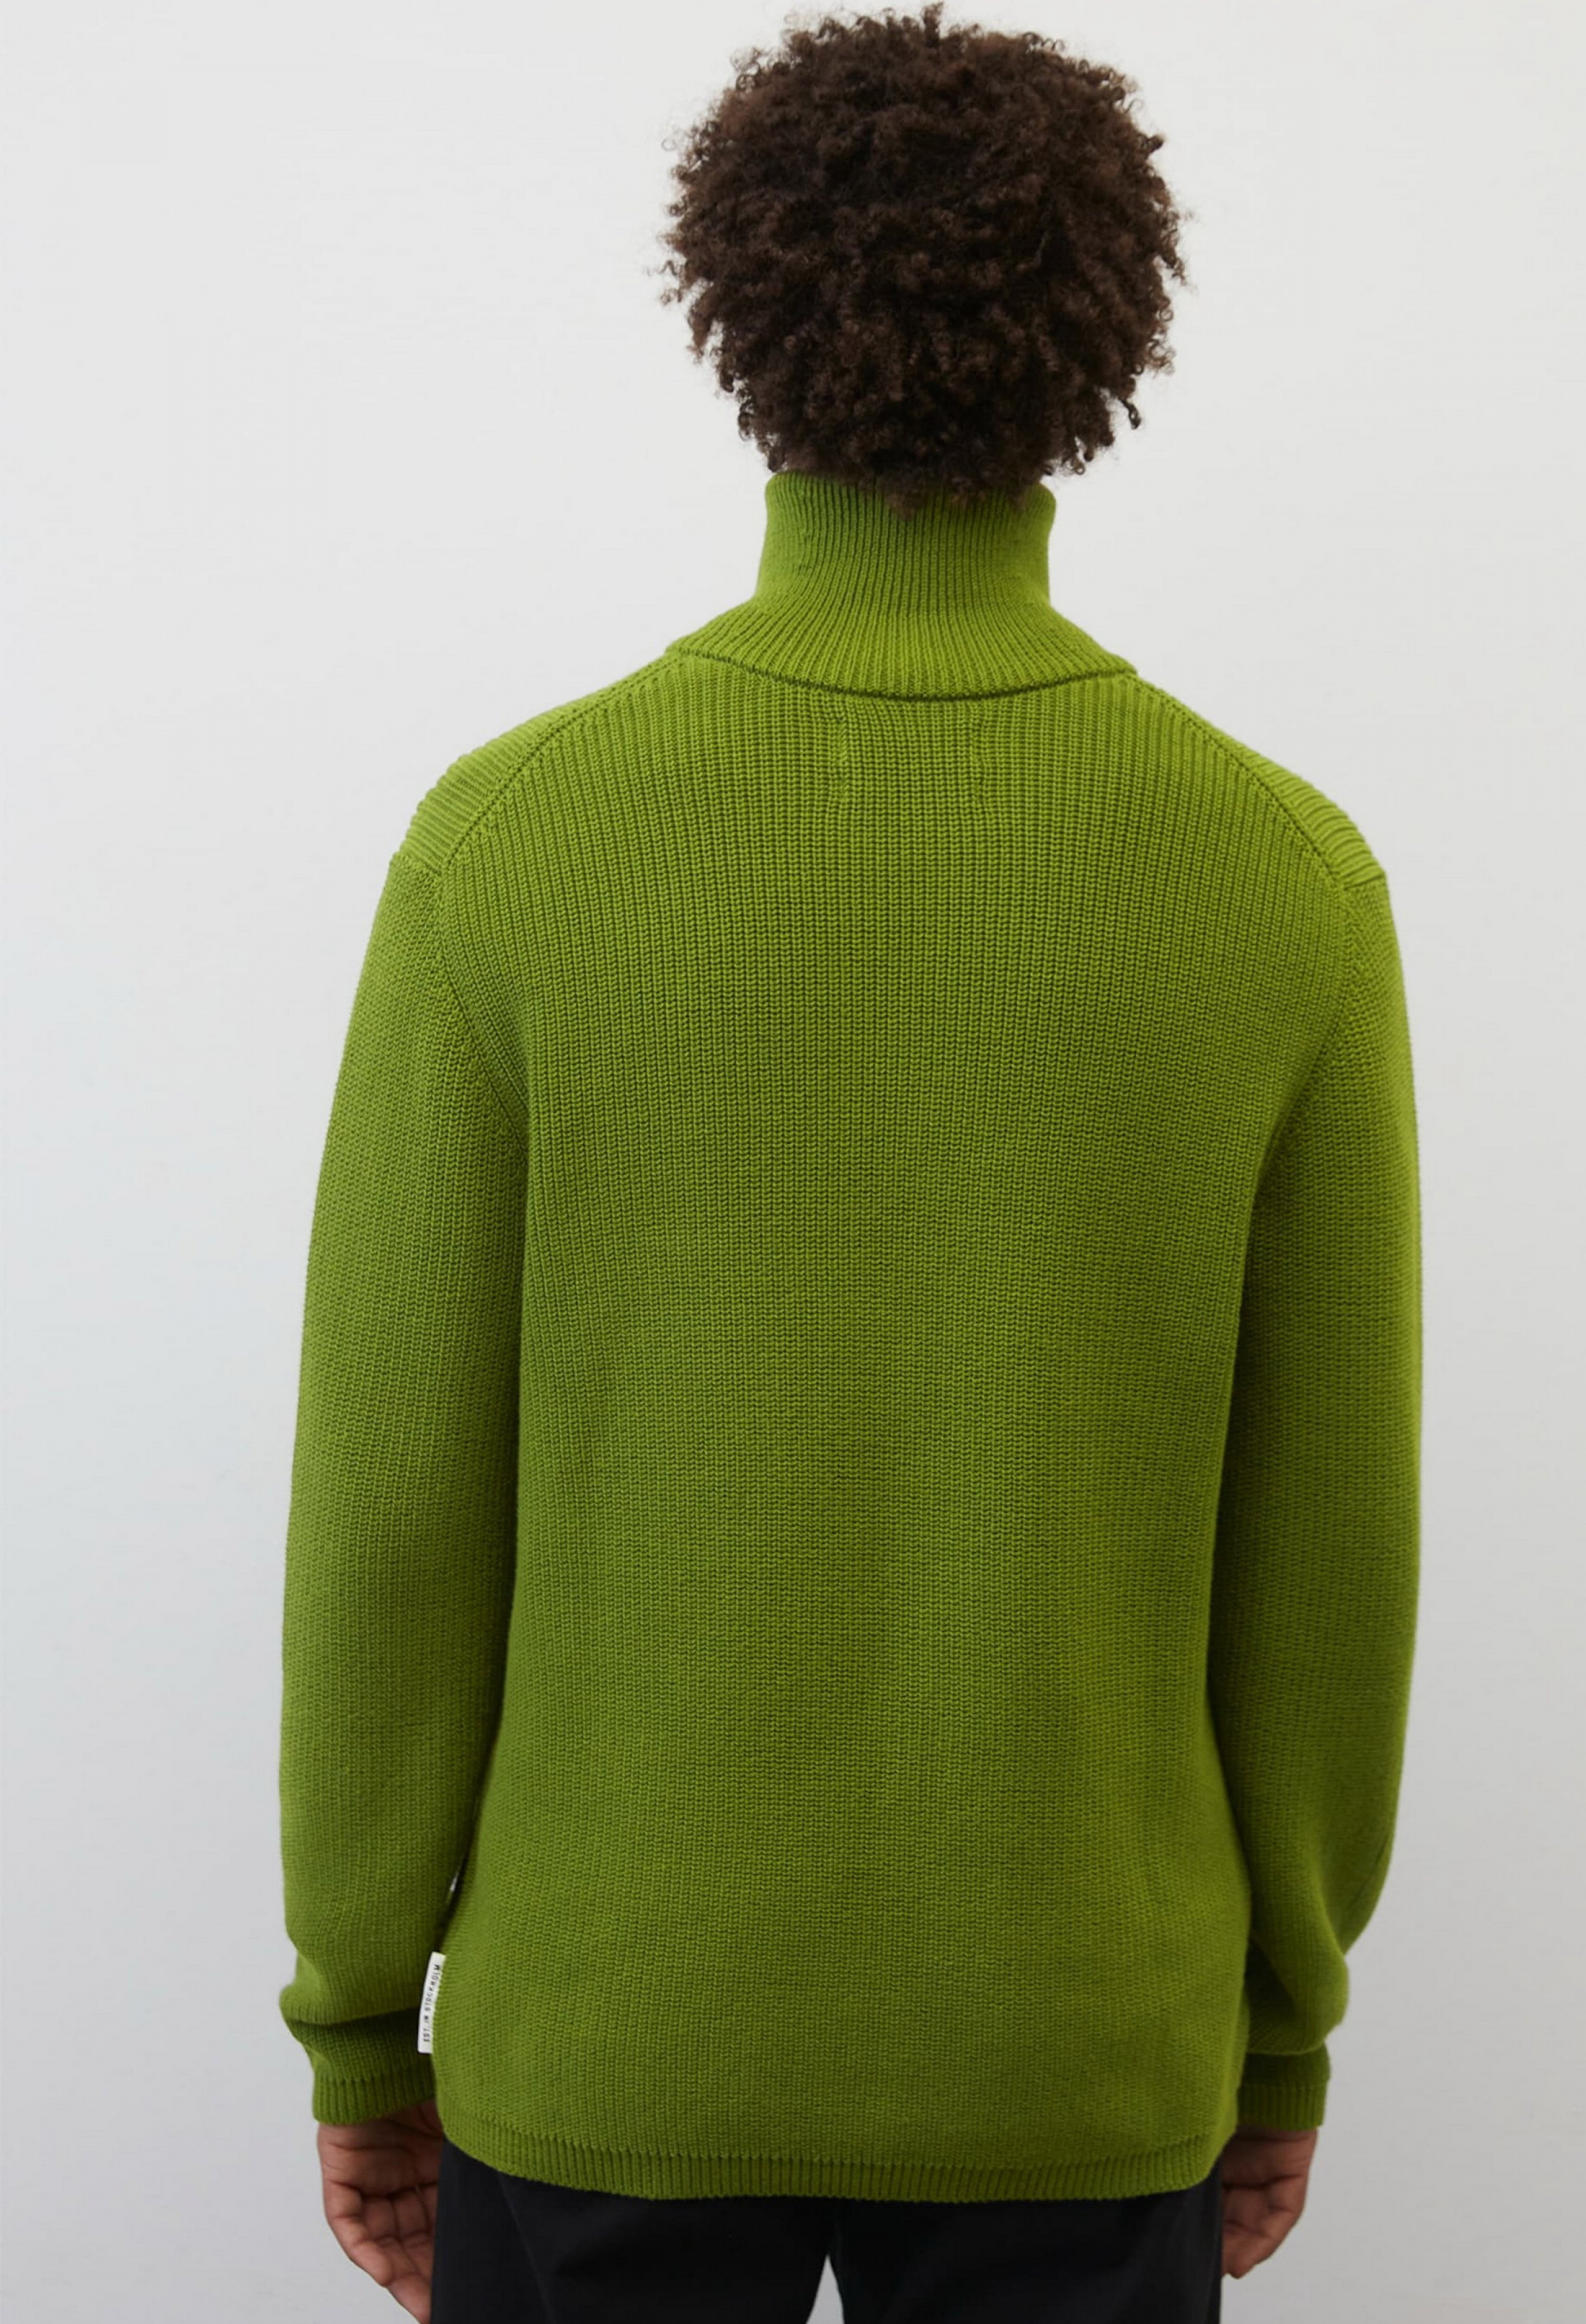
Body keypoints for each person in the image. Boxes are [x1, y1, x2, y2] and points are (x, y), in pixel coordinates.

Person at [276, 6, 1422, 2319]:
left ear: (738, 320)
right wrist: (1281, 2022)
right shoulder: (1278, 879)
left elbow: (392, 1509)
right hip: (1074, 2048)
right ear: (1107, 340)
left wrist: (359, 2014)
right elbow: (1325, 1544)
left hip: (609, 2033)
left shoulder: (509, 848)